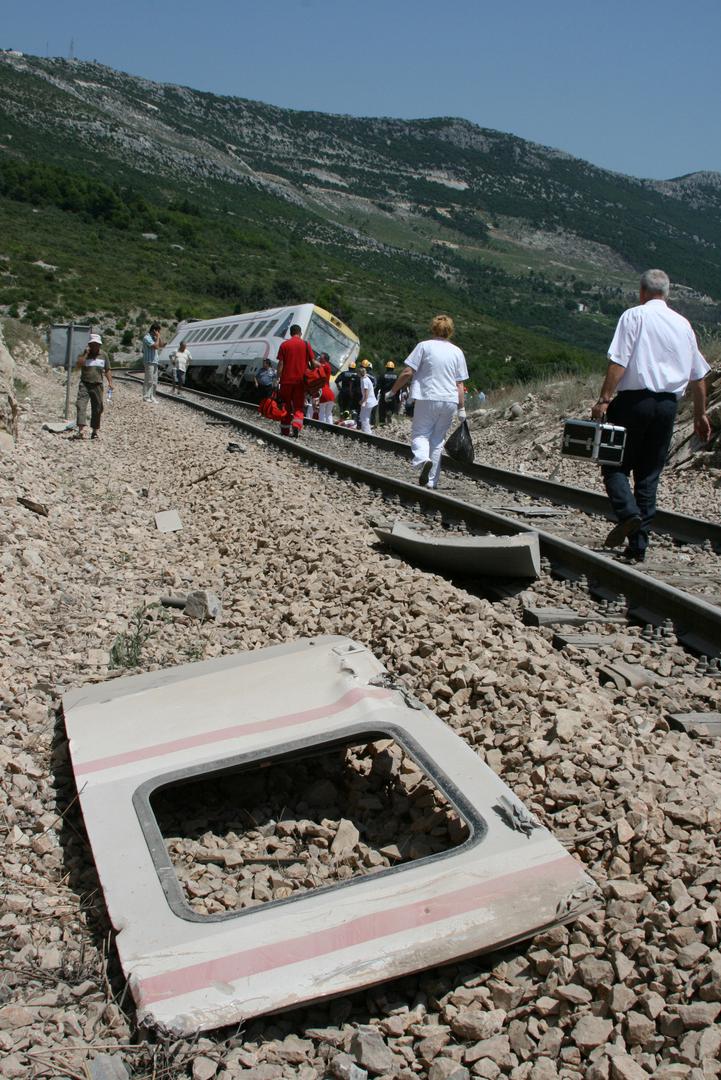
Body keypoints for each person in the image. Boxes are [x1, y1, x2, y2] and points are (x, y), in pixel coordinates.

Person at [591, 269, 711, 562]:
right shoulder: (683, 325)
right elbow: (698, 378)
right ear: (667, 293)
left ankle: (628, 514)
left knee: (614, 466)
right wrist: (700, 415)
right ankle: (638, 546)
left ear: (641, 291)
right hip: (667, 407)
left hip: (634, 402)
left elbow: (618, 362)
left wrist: (604, 400)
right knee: (648, 476)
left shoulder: (633, 316)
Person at [385, 314, 468, 488]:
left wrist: (392, 391)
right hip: (450, 401)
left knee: (421, 434)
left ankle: (423, 459)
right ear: (450, 331)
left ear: (433, 329)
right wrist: (462, 409)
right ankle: (431, 481)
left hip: (428, 396)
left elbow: (408, 372)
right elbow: (459, 383)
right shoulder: (457, 351)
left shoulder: (424, 346)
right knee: (438, 440)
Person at [72, 334, 113, 441]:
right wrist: (86, 355)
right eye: (93, 344)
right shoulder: (84, 354)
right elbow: (78, 365)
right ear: (89, 344)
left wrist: (110, 382)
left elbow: (107, 369)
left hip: (97, 384)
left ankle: (94, 431)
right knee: (80, 405)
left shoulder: (103, 355)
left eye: (97, 344)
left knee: (98, 408)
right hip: (85, 383)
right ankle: (80, 430)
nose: (95, 346)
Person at [276, 323, 315, 437]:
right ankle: (296, 426)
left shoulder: (284, 345)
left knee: (286, 406)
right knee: (298, 406)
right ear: (300, 333)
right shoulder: (306, 344)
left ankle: (285, 431)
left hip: (286, 382)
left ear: (290, 333)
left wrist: (278, 377)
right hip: (300, 382)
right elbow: (312, 364)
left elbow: (281, 364)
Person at [142, 322, 164, 403]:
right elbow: (156, 347)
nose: (159, 333)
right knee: (149, 380)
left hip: (155, 361)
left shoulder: (154, 338)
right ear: (155, 330)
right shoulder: (147, 338)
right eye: (158, 331)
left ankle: (152, 396)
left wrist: (159, 337)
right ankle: (146, 396)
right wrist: (157, 337)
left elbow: (161, 345)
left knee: (154, 381)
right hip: (149, 361)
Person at [358, 363, 378, 433]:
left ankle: (367, 432)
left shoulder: (364, 380)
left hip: (368, 401)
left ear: (360, 373)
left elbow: (366, 392)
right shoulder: (364, 378)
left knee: (365, 417)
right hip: (369, 400)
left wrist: (363, 401)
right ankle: (365, 430)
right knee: (362, 416)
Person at [316, 352, 335, 424]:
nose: (319, 357)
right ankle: (330, 427)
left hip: (323, 391)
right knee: (328, 414)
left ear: (325, 359)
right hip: (328, 391)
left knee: (322, 412)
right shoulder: (324, 366)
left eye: (321, 357)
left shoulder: (326, 366)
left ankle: (321, 426)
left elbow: (318, 366)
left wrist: (316, 361)